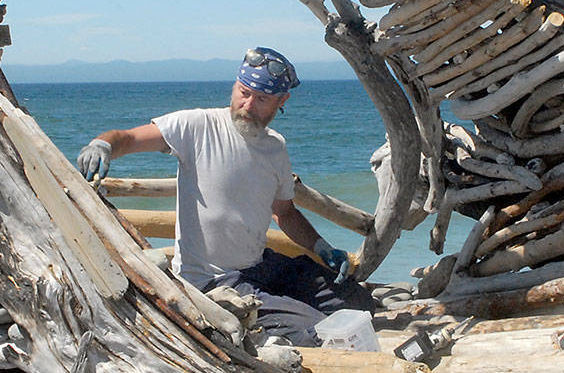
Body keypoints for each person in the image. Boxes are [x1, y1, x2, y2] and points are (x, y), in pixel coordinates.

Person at [76, 47, 375, 346]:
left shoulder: (276, 148)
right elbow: (128, 138)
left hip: (261, 265)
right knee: (314, 332)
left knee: (360, 304)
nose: (248, 105)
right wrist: (102, 145)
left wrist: (321, 246)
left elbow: (284, 212)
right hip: (214, 280)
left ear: (282, 101)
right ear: (234, 86)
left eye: (262, 99)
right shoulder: (196, 126)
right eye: (243, 92)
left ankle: (279, 321)